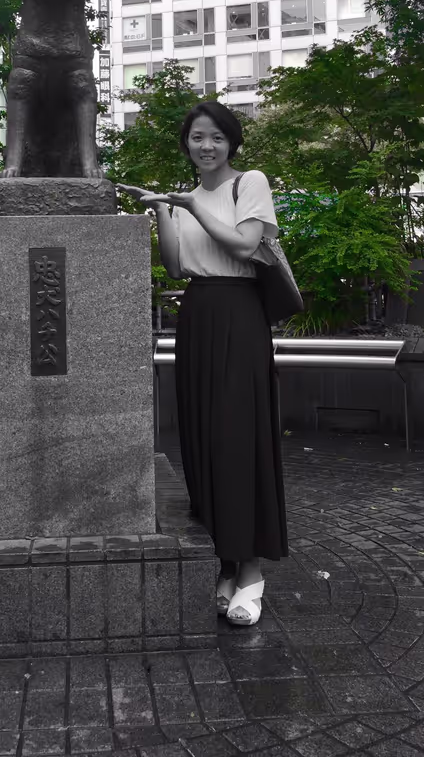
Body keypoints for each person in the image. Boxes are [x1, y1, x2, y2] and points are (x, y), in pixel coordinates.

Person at [118, 100, 288, 626]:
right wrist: (164, 211)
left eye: (215, 137)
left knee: (238, 436)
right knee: (201, 438)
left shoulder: (249, 183)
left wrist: (191, 208)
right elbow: (173, 266)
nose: (206, 145)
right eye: (196, 137)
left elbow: (244, 245)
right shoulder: (186, 196)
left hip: (240, 315)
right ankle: (225, 561)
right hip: (197, 315)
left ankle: (252, 570)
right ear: (186, 143)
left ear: (231, 141)